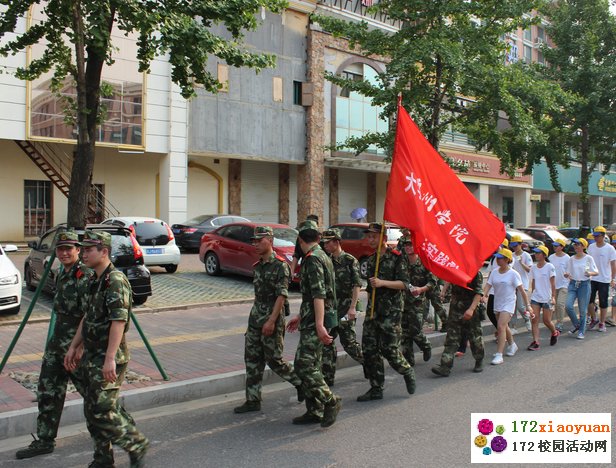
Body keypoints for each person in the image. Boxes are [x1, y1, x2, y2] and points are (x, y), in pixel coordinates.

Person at [64, 230, 149, 468]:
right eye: (84, 249)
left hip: (109, 356)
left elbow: (118, 321)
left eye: (90, 249)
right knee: (92, 409)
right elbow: (87, 316)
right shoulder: (94, 279)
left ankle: (136, 443)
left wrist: (110, 359)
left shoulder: (116, 281)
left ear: (104, 252)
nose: (84, 253)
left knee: (102, 408)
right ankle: (103, 457)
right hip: (91, 354)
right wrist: (74, 346)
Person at [16, 231, 95, 460]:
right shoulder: (61, 272)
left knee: (93, 395)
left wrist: (78, 347)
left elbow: (89, 315)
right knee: (48, 390)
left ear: (78, 250)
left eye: (69, 248)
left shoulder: (85, 275)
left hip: (76, 345)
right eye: (60, 249)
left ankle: (120, 433)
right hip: (57, 344)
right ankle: (44, 440)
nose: (64, 253)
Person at [234, 226, 304, 414]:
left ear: (270, 240)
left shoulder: (280, 266)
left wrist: (271, 321)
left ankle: (301, 383)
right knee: (252, 359)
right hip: (255, 318)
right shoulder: (258, 266)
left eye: (259, 240)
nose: (255, 244)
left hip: (272, 319)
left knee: (275, 361)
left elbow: (282, 296)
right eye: (254, 241)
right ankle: (253, 399)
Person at [286, 220, 341, 428]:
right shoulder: (322, 256)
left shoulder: (312, 260)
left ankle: (330, 401)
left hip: (317, 322)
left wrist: (318, 325)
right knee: (314, 365)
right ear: (318, 238)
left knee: (304, 365)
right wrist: (301, 317)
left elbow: (319, 294)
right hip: (312, 318)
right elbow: (312, 295)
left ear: (300, 240)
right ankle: (314, 409)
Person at [357, 223, 415, 402]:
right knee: (369, 350)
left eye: (374, 236)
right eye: (369, 236)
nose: (371, 239)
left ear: (383, 238)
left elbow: (405, 284)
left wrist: (383, 283)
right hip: (373, 312)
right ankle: (376, 387)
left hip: (391, 312)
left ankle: (406, 370)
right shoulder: (370, 260)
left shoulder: (397, 257)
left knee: (390, 350)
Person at [320, 228, 363, 387]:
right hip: (331, 309)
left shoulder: (350, 260)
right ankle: (327, 377)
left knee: (349, 344)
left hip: (346, 308)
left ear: (336, 242)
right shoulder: (326, 260)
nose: (325, 245)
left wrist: (353, 308)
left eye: (328, 242)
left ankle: (370, 365)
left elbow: (357, 284)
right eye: (323, 242)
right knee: (327, 343)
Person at [482, 248, 531, 365]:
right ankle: (512, 345)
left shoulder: (513, 274)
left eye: (500, 258)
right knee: (504, 327)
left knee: (500, 326)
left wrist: (527, 305)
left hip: (509, 303)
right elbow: (488, 286)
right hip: (498, 302)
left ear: (507, 259)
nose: (497, 260)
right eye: (497, 258)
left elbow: (522, 291)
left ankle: (499, 354)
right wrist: (483, 296)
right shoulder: (494, 272)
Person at [432, 270, 485, 376]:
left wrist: (471, 309)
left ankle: (479, 360)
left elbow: (478, 293)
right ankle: (445, 366)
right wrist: (444, 291)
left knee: (475, 338)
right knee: (451, 338)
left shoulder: (475, 273)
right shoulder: (456, 269)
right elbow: (449, 279)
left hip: (470, 309)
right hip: (455, 309)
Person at [399, 236, 435, 367]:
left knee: (415, 330)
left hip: (419, 302)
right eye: (406, 245)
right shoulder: (402, 263)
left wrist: (421, 289)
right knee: (405, 333)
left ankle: (425, 346)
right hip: (403, 301)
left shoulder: (424, 262)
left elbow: (432, 282)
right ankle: (409, 360)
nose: (408, 247)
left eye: (411, 244)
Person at [564, 238, 598, 339]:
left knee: (582, 310)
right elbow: (568, 272)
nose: (576, 246)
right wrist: (566, 274)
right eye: (575, 245)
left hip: (584, 284)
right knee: (568, 306)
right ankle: (577, 325)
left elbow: (596, 271)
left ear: (583, 246)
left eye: (578, 245)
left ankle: (581, 331)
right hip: (573, 284)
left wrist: (590, 273)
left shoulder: (588, 258)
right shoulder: (571, 259)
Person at [527, 246, 558, 351]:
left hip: (547, 298)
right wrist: (532, 293)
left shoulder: (550, 267)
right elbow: (534, 281)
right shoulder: (533, 268)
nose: (536, 255)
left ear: (544, 255)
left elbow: (553, 284)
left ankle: (554, 332)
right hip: (536, 297)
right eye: (535, 253)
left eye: (538, 253)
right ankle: (536, 342)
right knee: (534, 320)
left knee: (546, 321)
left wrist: (553, 297)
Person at [586, 226, 616, 332]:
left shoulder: (610, 249)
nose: (595, 238)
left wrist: (613, 279)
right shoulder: (591, 247)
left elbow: (613, 265)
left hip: (604, 279)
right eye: (594, 236)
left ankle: (602, 323)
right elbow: (587, 261)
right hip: (592, 278)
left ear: (603, 236)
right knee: (589, 300)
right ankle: (594, 318)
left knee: (603, 302)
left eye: (597, 236)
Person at [509, 235, 533, 332]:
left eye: (516, 245)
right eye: (513, 245)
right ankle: (513, 326)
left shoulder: (526, 255)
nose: (514, 247)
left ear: (520, 244)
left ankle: (526, 318)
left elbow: (530, 270)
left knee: (520, 306)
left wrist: (521, 263)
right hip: (512, 284)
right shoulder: (511, 255)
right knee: (512, 306)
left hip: (523, 283)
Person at [548, 238, 570, 332]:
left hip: (564, 284)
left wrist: (567, 274)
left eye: (557, 246)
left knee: (560, 304)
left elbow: (570, 270)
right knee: (554, 304)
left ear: (562, 247)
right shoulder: (551, 257)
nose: (554, 247)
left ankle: (560, 323)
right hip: (553, 285)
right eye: (554, 245)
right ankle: (550, 321)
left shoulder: (567, 258)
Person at [289, 214, 319, 278]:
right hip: (305, 270)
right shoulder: (301, 238)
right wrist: (291, 271)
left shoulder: (322, 239)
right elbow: (296, 255)